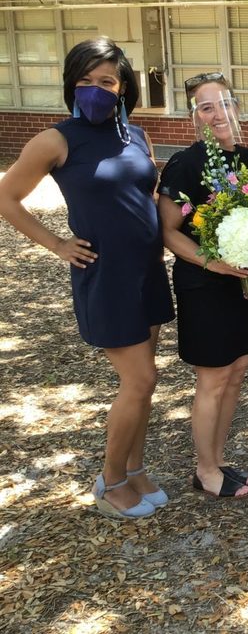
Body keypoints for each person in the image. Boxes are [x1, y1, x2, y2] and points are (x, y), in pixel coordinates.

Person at [0, 38, 174, 519]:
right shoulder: (55, 140)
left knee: (148, 381)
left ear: (122, 89)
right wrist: (56, 243)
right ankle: (110, 479)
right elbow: (7, 197)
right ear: (70, 85)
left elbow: (146, 195)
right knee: (138, 380)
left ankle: (136, 470)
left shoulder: (136, 136)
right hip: (106, 276)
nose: (95, 90)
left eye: (106, 81)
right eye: (85, 80)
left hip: (147, 270)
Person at [158, 73, 248, 498]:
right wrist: (214, 263)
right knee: (213, 377)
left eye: (225, 103)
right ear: (193, 118)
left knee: (238, 371)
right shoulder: (183, 164)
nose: (218, 113)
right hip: (204, 285)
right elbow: (169, 232)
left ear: (237, 108)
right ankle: (204, 470)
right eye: (207, 107)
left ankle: (217, 459)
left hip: (245, 283)